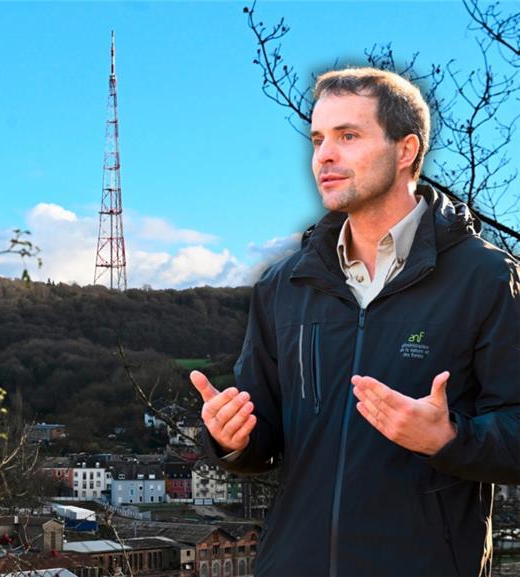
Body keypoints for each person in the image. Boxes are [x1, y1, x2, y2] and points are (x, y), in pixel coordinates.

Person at [191, 67, 519, 577]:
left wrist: (449, 438)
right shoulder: (284, 286)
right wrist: (231, 439)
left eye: (348, 135)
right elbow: (266, 437)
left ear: (405, 150)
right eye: (319, 138)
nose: (324, 154)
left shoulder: (487, 278)